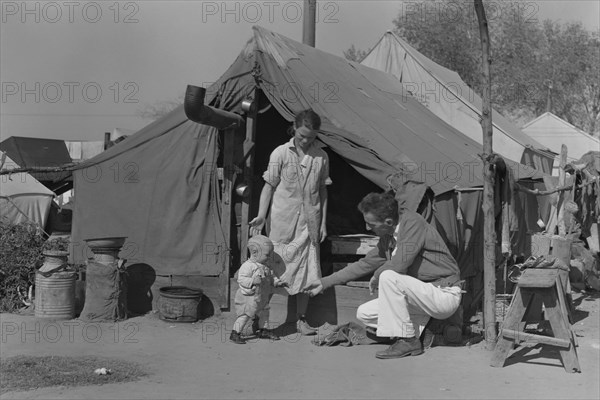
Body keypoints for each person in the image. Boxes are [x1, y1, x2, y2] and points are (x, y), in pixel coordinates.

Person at [305, 191, 463, 359]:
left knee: (389, 276)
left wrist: (378, 275)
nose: (367, 228)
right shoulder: (388, 237)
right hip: (421, 299)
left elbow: (400, 264)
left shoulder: (413, 224)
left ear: (388, 222)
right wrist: (324, 282)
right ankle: (427, 330)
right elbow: (364, 264)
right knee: (364, 313)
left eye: (370, 224)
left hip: (443, 294)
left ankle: (408, 341)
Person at [249, 109, 331, 336]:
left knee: (305, 271)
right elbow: (269, 185)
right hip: (282, 221)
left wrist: (323, 222)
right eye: (302, 135)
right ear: (294, 128)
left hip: (309, 223)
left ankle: (299, 320)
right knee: (274, 269)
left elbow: (323, 190)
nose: (306, 140)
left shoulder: (321, 157)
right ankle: (261, 319)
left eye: (311, 137)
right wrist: (262, 215)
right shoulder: (280, 153)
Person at [230, 235, 287, 344]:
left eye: (271, 254)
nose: (270, 257)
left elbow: (271, 275)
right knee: (245, 315)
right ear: (255, 253)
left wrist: (277, 282)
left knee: (265, 312)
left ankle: (263, 330)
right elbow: (241, 279)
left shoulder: (265, 265)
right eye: (267, 255)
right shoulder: (248, 266)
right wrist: (252, 281)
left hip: (261, 296)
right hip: (249, 297)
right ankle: (235, 333)